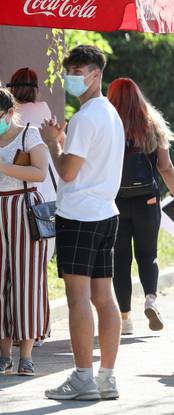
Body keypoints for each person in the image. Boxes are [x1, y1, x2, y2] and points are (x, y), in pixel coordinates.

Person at [41, 45, 124, 401]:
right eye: (69, 71)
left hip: (78, 216)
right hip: (106, 212)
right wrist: (63, 141)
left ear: (95, 73)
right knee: (105, 299)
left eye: (77, 71)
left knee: (78, 299)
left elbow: (67, 172)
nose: (71, 77)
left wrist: (52, 144)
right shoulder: (109, 113)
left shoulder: (87, 116)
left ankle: (82, 377)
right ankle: (106, 377)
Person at [0, 81, 50, 377]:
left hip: (24, 207)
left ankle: (26, 356)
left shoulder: (29, 134)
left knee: (26, 280)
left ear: (10, 112)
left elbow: (39, 172)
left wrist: (2, 167)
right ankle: (3, 355)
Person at [108, 78, 174, 335]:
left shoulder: (108, 126)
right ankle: (150, 299)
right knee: (148, 255)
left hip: (115, 201)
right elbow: (165, 167)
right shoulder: (153, 125)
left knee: (120, 260)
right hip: (147, 200)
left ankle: (125, 319)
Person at [8, 67, 58, 348]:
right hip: (46, 197)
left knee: (17, 267)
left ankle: (21, 328)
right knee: (38, 268)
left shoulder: (8, 116)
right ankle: (40, 327)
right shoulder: (44, 110)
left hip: (17, 194)